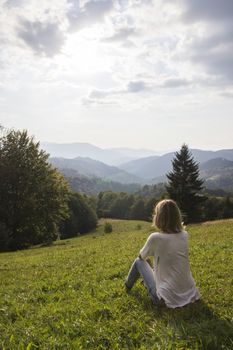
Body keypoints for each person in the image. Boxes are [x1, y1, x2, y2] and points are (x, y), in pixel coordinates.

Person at [125, 199, 200, 308]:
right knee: (151, 264)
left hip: (164, 299)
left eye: (156, 213)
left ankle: (127, 286)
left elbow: (141, 257)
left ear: (159, 218)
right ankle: (143, 282)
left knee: (139, 262)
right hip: (190, 293)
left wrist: (148, 262)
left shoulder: (156, 237)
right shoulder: (184, 235)